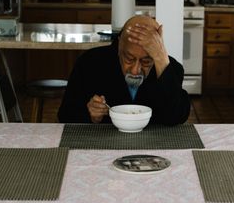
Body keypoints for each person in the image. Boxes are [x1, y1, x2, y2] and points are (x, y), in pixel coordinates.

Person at [58, 15, 190, 125]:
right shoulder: (90, 62)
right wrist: (91, 116)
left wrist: (161, 58)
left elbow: (176, 117)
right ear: (119, 45)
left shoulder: (168, 67)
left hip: (153, 144)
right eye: (129, 59)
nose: (135, 71)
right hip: (103, 143)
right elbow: (65, 115)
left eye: (146, 61)